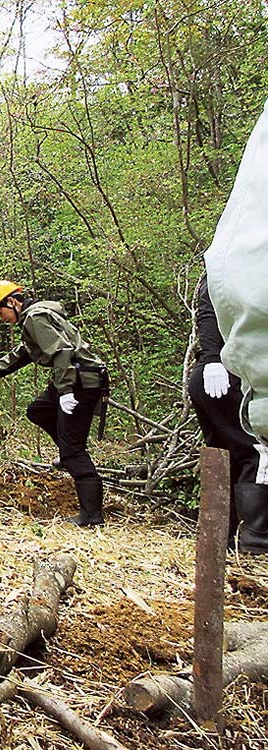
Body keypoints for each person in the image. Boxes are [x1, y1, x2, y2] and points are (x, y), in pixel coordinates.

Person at [0, 281, 109, 526]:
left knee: (74, 449)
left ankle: (92, 515)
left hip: (80, 381)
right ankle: (67, 452)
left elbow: (62, 351)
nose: (2, 319)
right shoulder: (36, 316)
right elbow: (23, 354)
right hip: (73, 377)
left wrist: (65, 391)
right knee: (39, 410)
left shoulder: (34, 317)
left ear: (12, 302)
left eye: (1, 312)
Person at [203, 97, 268, 553]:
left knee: (243, 451)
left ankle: (248, 539)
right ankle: (247, 539)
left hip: (238, 371)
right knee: (239, 450)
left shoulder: (39, 318)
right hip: (237, 371)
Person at [188, 275, 268, 553]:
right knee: (255, 451)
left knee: (227, 456)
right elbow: (209, 308)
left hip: (219, 372)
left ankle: (224, 539)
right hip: (224, 374)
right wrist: (212, 358)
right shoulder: (232, 265)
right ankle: (255, 541)